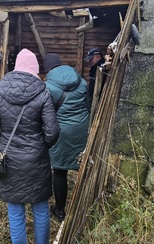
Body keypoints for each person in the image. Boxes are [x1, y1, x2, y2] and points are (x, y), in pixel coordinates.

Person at [0, 48, 60, 244]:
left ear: (16, 68)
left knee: (15, 208)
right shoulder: (43, 93)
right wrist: (41, 146)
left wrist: (2, 141)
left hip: (10, 159)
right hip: (37, 160)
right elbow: (53, 132)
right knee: (41, 207)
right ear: (35, 69)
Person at [43, 53, 90, 222]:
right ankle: (84, 206)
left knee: (60, 171)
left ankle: (60, 210)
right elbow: (88, 104)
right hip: (82, 128)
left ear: (47, 69)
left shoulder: (48, 87)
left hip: (62, 131)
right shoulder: (82, 82)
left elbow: (45, 114)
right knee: (83, 166)